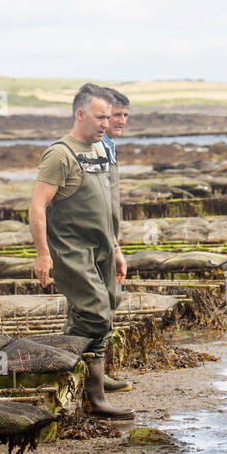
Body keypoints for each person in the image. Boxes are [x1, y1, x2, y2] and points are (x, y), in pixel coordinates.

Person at [30, 82, 133, 420]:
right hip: (72, 249)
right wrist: (43, 253)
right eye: (100, 117)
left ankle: (62, 372)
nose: (107, 123)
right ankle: (96, 399)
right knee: (96, 313)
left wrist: (116, 248)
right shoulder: (60, 154)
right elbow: (37, 206)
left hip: (102, 247)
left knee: (102, 308)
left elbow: (105, 206)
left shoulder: (100, 151)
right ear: (80, 114)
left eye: (109, 117)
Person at [99, 87, 133, 393]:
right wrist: (113, 244)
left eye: (124, 115)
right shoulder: (97, 149)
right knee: (98, 305)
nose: (121, 121)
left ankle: (99, 373)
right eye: (116, 115)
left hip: (108, 237)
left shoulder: (109, 147)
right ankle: (95, 378)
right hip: (99, 239)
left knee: (109, 301)